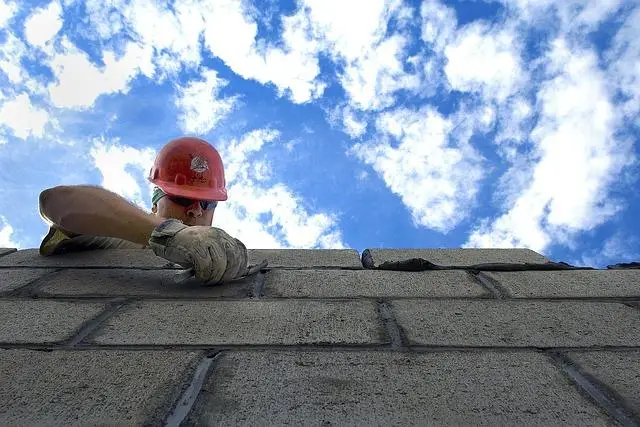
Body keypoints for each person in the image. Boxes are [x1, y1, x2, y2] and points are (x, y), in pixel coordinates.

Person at [38, 136, 248, 284]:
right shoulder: (117, 236)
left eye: (207, 203)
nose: (196, 211)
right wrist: (171, 234)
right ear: (156, 202)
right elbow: (55, 201)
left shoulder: (220, 260)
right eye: (181, 199)